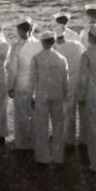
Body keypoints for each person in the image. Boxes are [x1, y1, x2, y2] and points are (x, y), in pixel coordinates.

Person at [30, 30, 68, 165]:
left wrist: (31, 96)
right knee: (58, 126)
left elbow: (32, 80)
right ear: (53, 42)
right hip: (57, 94)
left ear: (42, 42)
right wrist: (65, 95)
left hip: (42, 95)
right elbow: (65, 80)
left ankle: (42, 156)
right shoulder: (61, 58)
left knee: (42, 126)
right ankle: (58, 157)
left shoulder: (36, 58)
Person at [6, 18, 42, 151]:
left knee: (20, 115)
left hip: (20, 84)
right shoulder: (38, 44)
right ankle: (33, 142)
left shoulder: (15, 46)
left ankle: (21, 144)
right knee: (33, 114)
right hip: (34, 84)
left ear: (20, 30)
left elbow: (12, 69)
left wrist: (10, 86)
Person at [53, 25, 85, 148]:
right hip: (79, 80)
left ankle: (68, 139)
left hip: (66, 82)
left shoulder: (57, 50)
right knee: (80, 110)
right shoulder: (76, 44)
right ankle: (82, 138)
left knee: (67, 110)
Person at [79, 25, 96, 173]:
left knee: (93, 128)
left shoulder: (87, 54)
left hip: (92, 93)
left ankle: (94, 163)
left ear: (90, 37)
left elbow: (83, 78)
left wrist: (81, 96)